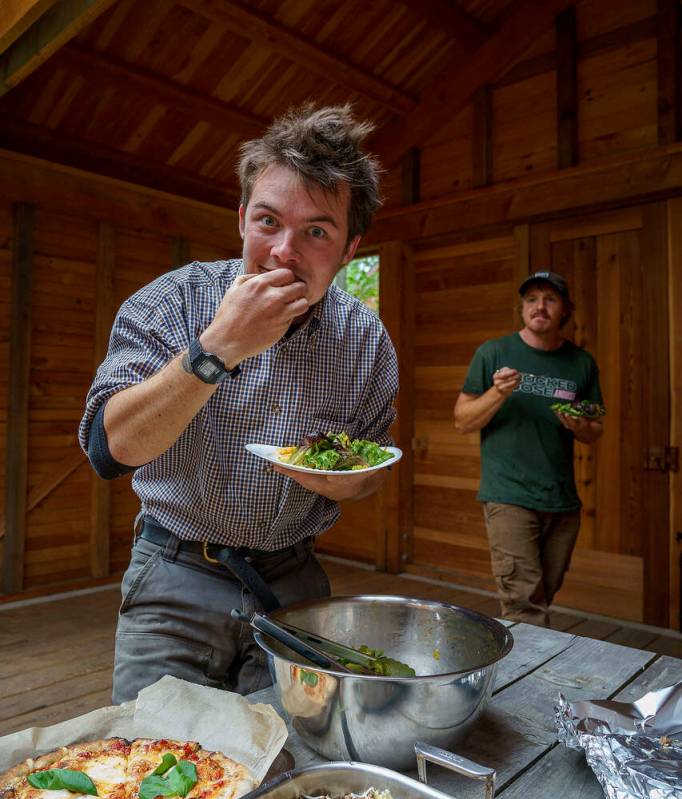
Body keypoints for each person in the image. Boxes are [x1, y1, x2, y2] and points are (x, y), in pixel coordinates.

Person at [79, 104, 398, 702]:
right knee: (155, 768)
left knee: (292, 766)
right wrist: (219, 347)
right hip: (174, 573)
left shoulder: (365, 340)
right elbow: (108, 450)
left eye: (317, 231)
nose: (282, 251)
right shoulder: (170, 303)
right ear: (243, 219)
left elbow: (367, 475)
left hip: (294, 580)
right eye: (268, 221)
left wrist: (343, 484)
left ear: (350, 248)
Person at [453, 270, 604, 625]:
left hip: (562, 500)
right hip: (508, 496)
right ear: (522, 307)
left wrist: (580, 425)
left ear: (565, 309)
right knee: (524, 605)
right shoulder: (494, 352)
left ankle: (524, 660)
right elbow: (462, 419)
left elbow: (595, 428)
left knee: (542, 596)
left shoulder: (581, 363)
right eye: (532, 299)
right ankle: (526, 677)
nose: (540, 306)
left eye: (550, 299)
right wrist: (498, 392)